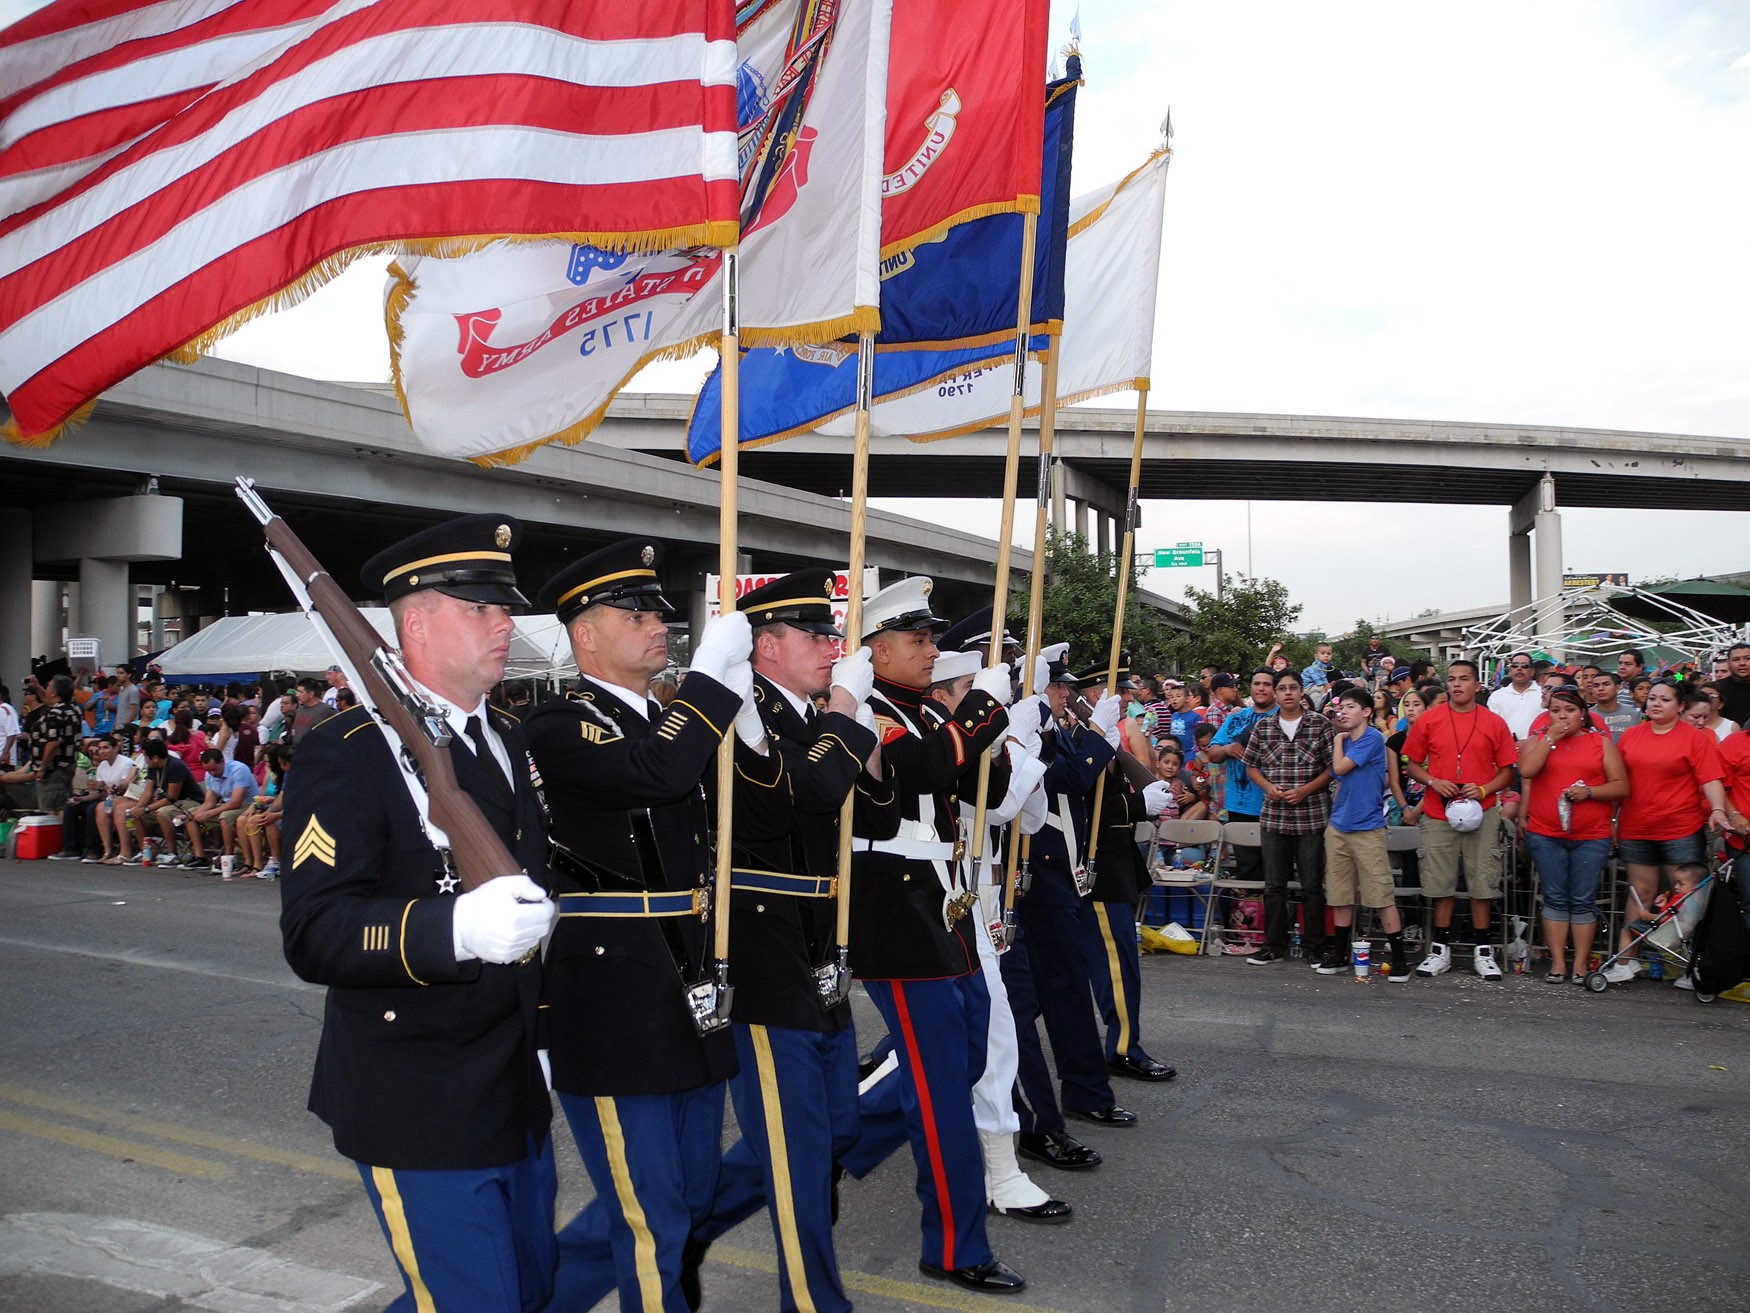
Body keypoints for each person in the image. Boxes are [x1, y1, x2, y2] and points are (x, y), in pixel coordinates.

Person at [278, 513, 559, 1313]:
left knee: (528, 1289)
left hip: (515, 1082)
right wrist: (455, 929)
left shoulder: (504, 736)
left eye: (503, 607)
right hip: (420, 1097)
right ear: (414, 622)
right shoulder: (349, 747)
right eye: (479, 607)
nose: (505, 622)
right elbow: (316, 929)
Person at [523, 539, 758, 1313]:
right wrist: (706, 689)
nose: (657, 623)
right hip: (615, 995)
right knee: (650, 1215)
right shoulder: (560, 723)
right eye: (634, 613)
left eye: (658, 611)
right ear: (584, 634)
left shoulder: (670, 718)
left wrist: (749, 715)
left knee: (683, 1197)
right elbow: (651, 772)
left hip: (690, 982)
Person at [689, 569, 888, 1313]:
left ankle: (684, 1222)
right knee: (801, 1150)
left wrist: (853, 715)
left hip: (821, 947)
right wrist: (845, 710)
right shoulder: (744, 708)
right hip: (764, 948)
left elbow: (876, 812)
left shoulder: (814, 715)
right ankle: (813, 1302)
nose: (833, 646)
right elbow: (798, 797)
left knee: (831, 1129)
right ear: (766, 645)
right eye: (818, 634)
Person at [850, 577, 1026, 1294]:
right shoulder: (863, 709)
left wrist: (1004, 725)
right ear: (876, 648)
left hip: (941, 904)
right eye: (918, 640)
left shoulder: (919, 709)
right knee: (941, 1091)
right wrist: (983, 706)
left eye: (930, 639)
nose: (932, 651)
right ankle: (954, 1245)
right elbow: (922, 768)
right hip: (895, 913)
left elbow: (982, 785)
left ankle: (843, 1137)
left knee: (968, 1049)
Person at [1609, 679, 1734, 983]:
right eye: (1652, 698)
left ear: (1680, 706)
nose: (1655, 703)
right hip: (1636, 827)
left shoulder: (1695, 738)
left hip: (1680, 827)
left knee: (1687, 898)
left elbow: (1711, 779)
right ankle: (1627, 961)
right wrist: (1612, 820)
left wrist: (1718, 809)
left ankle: (1693, 966)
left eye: (1665, 699)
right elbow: (1619, 783)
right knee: (1640, 894)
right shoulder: (1631, 736)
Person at [1400, 661, 1518, 979]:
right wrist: (1433, 781)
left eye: (1464, 679)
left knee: (1482, 881)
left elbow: (1508, 769)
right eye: (1451, 679)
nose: (1456, 685)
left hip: (1483, 811)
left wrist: (1483, 788)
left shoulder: (1494, 722)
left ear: (1476, 685)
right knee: (1440, 883)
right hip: (1439, 813)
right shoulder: (1430, 719)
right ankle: (1440, 950)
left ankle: (1483, 951)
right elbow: (1411, 763)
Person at [1518, 685, 1627, 984]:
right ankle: (1557, 964)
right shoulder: (1541, 740)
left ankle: (1580, 964)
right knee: (1554, 896)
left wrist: (1589, 792)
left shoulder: (1600, 743)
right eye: (1555, 711)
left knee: (1582, 898)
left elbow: (1621, 786)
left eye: (1569, 710)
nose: (1562, 716)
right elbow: (1526, 771)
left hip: (1591, 834)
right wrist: (1550, 738)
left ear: (1582, 714)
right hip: (1546, 832)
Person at [1242, 670, 1333, 967]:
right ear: (1275, 694)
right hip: (1274, 817)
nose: (1288, 693)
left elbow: (1333, 768)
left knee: (1311, 885)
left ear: (1302, 691)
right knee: (1274, 885)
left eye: (1293, 687)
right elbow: (1251, 766)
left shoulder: (1320, 724)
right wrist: (1267, 787)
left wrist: (1306, 790)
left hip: (1311, 815)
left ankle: (1315, 947)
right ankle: (1273, 945)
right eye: (1282, 688)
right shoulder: (1264, 726)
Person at [1324, 687, 1412, 981]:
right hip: (1339, 824)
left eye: (1350, 707)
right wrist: (1341, 740)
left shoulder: (1373, 738)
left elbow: (1339, 767)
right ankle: (1339, 954)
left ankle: (1399, 959)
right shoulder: (1347, 741)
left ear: (1366, 712)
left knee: (1380, 894)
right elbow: (1337, 774)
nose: (1343, 712)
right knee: (1340, 895)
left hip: (1368, 827)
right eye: (1341, 707)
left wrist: (1337, 738)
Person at [1487, 651, 1543, 739]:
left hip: (1539, 746)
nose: (1519, 669)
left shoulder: (1543, 693)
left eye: (1524, 666)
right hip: (1507, 747)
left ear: (1532, 671)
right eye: (1515, 666)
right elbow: (1494, 726)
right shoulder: (1497, 696)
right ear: (1510, 670)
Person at [1588, 669, 1642, 740]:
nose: (1601, 688)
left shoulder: (1634, 713)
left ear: (1617, 688)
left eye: (1606, 684)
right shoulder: (1587, 716)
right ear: (1592, 691)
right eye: (1596, 686)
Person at [1715, 642, 1750, 727]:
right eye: (1736, 659)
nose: (1742, 663)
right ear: (1728, 663)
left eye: (1748, 658)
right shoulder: (1716, 689)